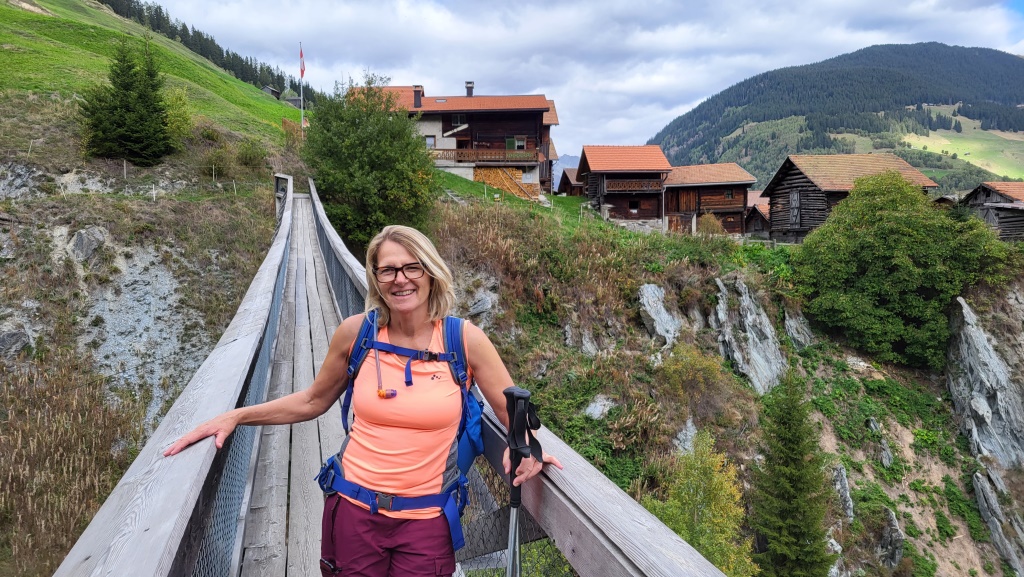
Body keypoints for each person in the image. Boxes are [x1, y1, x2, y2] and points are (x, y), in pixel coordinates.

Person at [164, 224, 562, 577]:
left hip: (427, 518)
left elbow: (511, 413)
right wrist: (237, 416)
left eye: (412, 267)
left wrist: (528, 448)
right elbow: (313, 401)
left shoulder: (464, 340)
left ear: (430, 273)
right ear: (375, 278)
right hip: (354, 510)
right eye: (388, 270)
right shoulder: (356, 334)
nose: (400, 279)